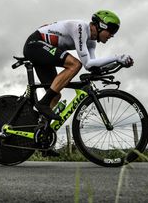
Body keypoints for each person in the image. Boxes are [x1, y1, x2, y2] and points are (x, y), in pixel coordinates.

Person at [23, 10, 133, 156]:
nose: (112, 35)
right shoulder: (80, 28)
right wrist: (116, 57)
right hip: (35, 44)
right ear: (100, 25)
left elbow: (94, 65)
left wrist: (119, 64)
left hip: (44, 49)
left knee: (55, 96)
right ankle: (42, 104)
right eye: (111, 30)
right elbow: (86, 63)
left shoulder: (91, 42)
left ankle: (42, 137)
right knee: (74, 64)